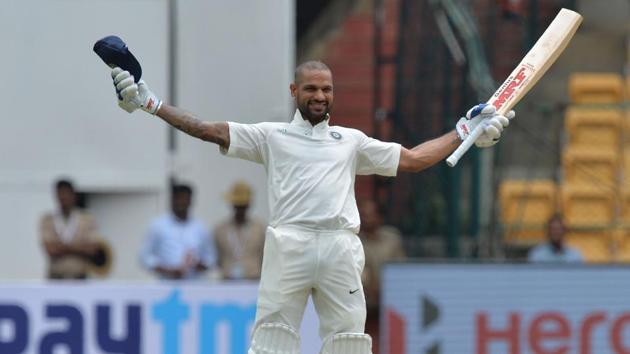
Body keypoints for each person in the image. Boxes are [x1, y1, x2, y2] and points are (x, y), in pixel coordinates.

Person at [107, 60, 514, 353]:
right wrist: (151, 104)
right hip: (290, 243)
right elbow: (206, 129)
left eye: (326, 89)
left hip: (340, 246)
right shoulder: (272, 136)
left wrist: (465, 131)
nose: (320, 96)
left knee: (348, 342)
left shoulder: (350, 140)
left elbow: (413, 158)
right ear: (294, 91)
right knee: (272, 341)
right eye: (311, 89)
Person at [358, 199, 406, 354]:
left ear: (379, 216)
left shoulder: (392, 238)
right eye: (363, 214)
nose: (367, 218)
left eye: (371, 214)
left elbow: (401, 267)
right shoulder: (354, 241)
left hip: (392, 298)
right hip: (364, 300)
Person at [139, 184, 216, 279]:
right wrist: (167, 270)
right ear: (172, 200)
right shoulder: (158, 226)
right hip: (167, 285)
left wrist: (200, 265)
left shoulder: (200, 228)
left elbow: (211, 257)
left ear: (191, 201)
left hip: (194, 284)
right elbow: (145, 257)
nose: (181, 202)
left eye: (185, 199)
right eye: (178, 198)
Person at [40, 179, 100, 279]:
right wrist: (79, 247)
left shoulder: (86, 219)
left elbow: (92, 249)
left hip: (80, 276)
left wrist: (62, 247)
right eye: (61, 193)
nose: (64, 197)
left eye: (66, 193)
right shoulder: (48, 220)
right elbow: (50, 250)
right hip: (56, 276)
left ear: (73, 195)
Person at [213, 181, 266, 280]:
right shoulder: (220, 230)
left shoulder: (259, 229)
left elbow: (265, 257)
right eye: (237, 206)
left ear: (248, 205)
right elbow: (217, 258)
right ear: (232, 205)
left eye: (243, 206)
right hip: (227, 281)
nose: (240, 210)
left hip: (254, 280)